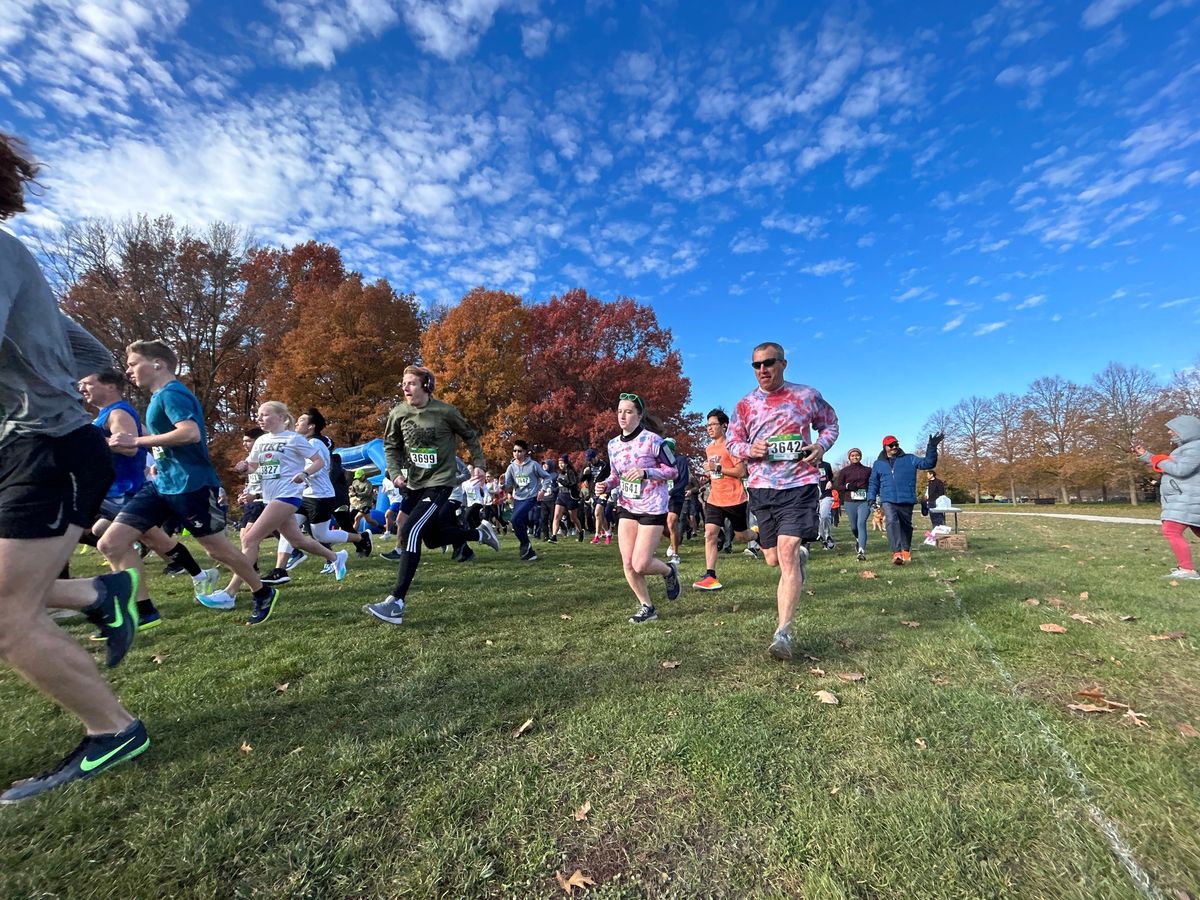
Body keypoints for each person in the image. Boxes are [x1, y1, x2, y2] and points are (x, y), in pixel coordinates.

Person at [0, 133, 148, 802]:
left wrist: (92, 402)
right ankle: (102, 595)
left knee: (5, 615)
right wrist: (83, 381)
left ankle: (113, 728)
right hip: (34, 444)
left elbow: (89, 355)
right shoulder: (14, 261)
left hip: (49, 446)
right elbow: (84, 342)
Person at [99, 340, 279, 624]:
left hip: (191, 485)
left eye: (133, 364)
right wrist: (146, 452)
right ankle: (141, 610)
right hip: (162, 485)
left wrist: (136, 440)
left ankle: (261, 591)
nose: (129, 371)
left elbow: (190, 433)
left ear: (157, 363)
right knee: (111, 542)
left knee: (216, 549)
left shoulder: (172, 394)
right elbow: (163, 439)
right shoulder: (159, 398)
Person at [726, 342, 839, 660]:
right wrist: (751, 450)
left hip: (799, 486)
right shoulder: (745, 405)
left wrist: (821, 447)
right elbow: (733, 441)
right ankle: (798, 562)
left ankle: (782, 634)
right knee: (773, 559)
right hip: (762, 490)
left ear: (783, 364)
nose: (762, 369)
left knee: (787, 552)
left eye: (769, 363)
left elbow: (829, 424)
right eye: (756, 365)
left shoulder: (806, 395)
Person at [364, 365, 500, 625]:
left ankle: (396, 603)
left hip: (440, 482)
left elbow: (470, 436)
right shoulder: (398, 413)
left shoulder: (445, 412)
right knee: (433, 539)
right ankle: (479, 533)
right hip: (414, 484)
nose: (405, 387)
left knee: (409, 530)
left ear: (426, 386)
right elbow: (391, 446)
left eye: (412, 383)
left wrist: (479, 463)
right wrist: (395, 473)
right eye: (403, 383)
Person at [600, 392, 681, 623]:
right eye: (619, 411)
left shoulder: (653, 441)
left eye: (628, 411)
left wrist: (647, 472)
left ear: (639, 415)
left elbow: (673, 471)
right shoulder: (613, 445)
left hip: (652, 506)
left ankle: (669, 571)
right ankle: (647, 607)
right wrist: (605, 484)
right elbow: (616, 476)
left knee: (641, 563)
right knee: (628, 563)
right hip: (627, 505)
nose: (622, 416)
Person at [693, 408, 761, 591]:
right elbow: (715, 473)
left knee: (741, 535)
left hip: (734, 498)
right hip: (715, 498)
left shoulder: (732, 445)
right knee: (710, 534)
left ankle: (758, 536)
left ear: (724, 426)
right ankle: (710, 575)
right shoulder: (709, 448)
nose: (709, 428)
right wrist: (707, 476)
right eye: (707, 425)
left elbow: (741, 472)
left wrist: (717, 468)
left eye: (713, 424)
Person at [1135, 416, 1200, 580]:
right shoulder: (1187, 448)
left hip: (1188, 498)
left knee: (1171, 529)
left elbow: (1181, 469)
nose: (1169, 432)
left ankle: (1187, 570)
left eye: (1173, 429)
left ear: (1185, 430)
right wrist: (1147, 456)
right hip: (1185, 498)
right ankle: (1186, 568)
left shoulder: (1195, 447)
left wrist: (1159, 460)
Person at [866, 432, 942, 566]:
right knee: (891, 521)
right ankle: (896, 553)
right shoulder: (878, 464)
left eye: (896, 444)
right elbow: (873, 482)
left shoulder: (910, 459)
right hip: (888, 499)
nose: (894, 447)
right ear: (885, 447)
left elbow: (928, 463)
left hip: (906, 498)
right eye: (891, 445)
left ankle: (906, 550)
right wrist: (871, 498)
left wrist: (932, 447)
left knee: (906, 526)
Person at [504, 439, 553, 561]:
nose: (516, 453)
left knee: (516, 518)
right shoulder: (511, 467)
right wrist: (503, 486)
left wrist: (542, 490)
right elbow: (508, 485)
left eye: (519, 451)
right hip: (518, 498)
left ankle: (525, 545)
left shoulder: (533, 465)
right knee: (515, 522)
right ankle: (527, 548)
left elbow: (547, 477)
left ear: (525, 452)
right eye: (514, 451)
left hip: (531, 497)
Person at [833, 448, 872, 561]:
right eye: (852, 455)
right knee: (854, 526)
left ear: (860, 456)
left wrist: (872, 495)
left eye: (857, 455)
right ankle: (858, 539)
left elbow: (873, 483)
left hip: (864, 501)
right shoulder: (845, 471)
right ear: (849, 457)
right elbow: (837, 485)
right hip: (850, 501)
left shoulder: (868, 470)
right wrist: (847, 486)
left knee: (861, 523)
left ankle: (861, 551)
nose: (855, 457)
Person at [664, 438, 689, 566]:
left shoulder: (680, 460)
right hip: (662, 497)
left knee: (671, 522)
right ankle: (673, 541)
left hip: (676, 496)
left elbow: (684, 480)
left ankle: (675, 555)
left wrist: (672, 492)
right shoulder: (660, 462)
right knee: (662, 527)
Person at [547, 456, 583, 543]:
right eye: (559, 463)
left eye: (562, 463)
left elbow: (573, 484)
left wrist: (563, 482)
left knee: (573, 518)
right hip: (561, 496)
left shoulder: (570, 472)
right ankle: (554, 536)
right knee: (556, 516)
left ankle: (581, 532)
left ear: (566, 463)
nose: (560, 465)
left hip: (570, 496)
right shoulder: (560, 473)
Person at [816, 459, 835, 550]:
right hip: (813, 497)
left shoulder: (826, 465)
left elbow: (832, 477)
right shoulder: (807, 465)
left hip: (826, 494)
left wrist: (831, 481)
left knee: (824, 516)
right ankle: (823, 539)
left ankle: (828, 536)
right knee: (818, 518)